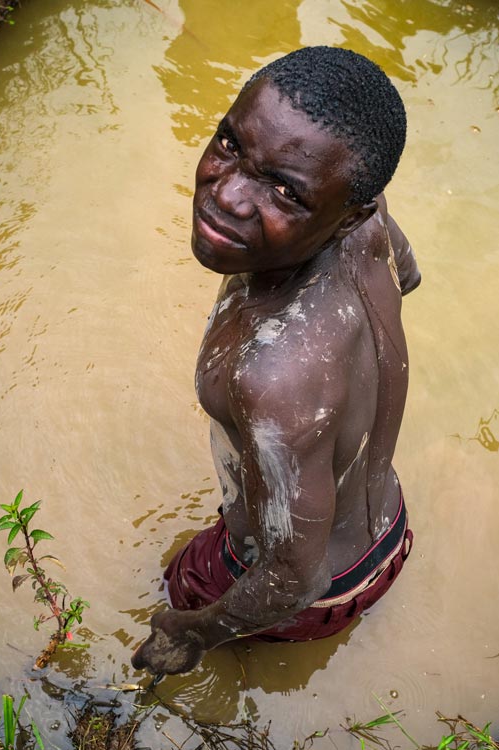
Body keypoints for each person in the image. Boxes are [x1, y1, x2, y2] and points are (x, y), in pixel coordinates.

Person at [131, 46, 421, 676]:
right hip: (385, 526)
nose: (228, 197)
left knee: (166, 592)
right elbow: (408, 266)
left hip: (310, 587)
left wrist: (195, 632)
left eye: (285, 192)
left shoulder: (272, 379)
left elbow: (293, 575)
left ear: (348, 216)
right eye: (231, 145)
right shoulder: (365, 224)